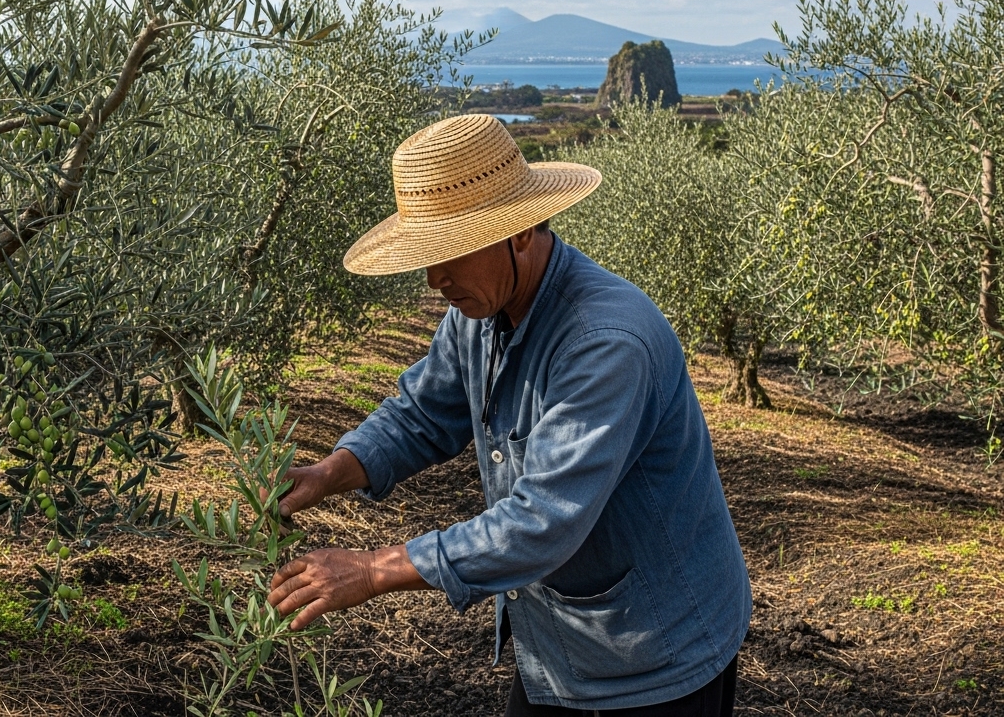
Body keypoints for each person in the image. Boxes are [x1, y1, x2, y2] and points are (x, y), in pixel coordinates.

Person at [266, 114, 751, 715]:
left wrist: (374, 570)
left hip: (656, 656)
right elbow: (422, 412)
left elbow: (543, 521)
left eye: (453, 253)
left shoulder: (606, 342)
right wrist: (330, 472)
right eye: (427, 255)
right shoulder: (480, 310)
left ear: (520, 232)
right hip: (560, 646)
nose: (434, 277)